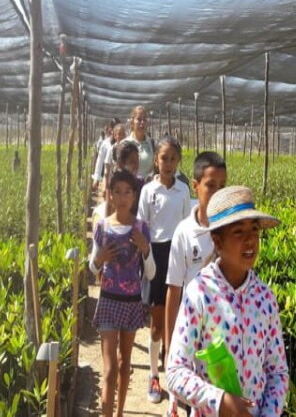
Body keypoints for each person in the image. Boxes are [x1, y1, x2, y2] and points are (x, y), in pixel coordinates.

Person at [166, 186, 289, 417]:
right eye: (238, 232)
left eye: (254, 230)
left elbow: (278, 372)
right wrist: (219, 401)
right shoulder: (199, 293)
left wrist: (269, 413)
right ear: (217, 241)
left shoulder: (265, 298)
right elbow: (175, 371)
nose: (250, 239)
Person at [164, 151, 227, 417]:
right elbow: (173, 291)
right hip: (191, 341)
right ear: (195, 185)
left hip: (224, 342)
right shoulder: (184, 232)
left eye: (222, 187)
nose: (216, 192)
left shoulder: (231, 229)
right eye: (210, 185)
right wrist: (170, 355)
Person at [89, 169, 156, 417]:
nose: (122, 196)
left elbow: (150, 273)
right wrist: (100, 259)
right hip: (108, 300)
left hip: (131, 303)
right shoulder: (103, 227)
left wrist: (145, 248)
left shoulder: (141, 229)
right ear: (110, 194)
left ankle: (119, 412)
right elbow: (92, 266)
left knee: (124, 363)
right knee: (108, 370)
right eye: (117, 191)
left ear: (134, 195)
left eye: (127, 191)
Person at [137, 136, 191, 404]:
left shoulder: (183, 190)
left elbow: (186, 228)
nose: (168, 163)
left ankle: (176, 375)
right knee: (157, 322)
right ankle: (154, 375)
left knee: (179, 319)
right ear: (155, 161)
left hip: (177, 254)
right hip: (156, 255)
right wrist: (147, 259)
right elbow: (142, 227)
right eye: (163, 158)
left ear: (178, 161)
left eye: (172, 158)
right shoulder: (149, 190)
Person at [123, 105, 156, 179]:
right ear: (132, 122)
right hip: (130, 187)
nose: (142, 122)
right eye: (139, 119)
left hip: (148, 187)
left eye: (144, 119)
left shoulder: (152, 144)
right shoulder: (125, 144)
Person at [92, 119, 119, 193]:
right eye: (114, 128)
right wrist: (96, 178)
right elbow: (100, 161)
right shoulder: (105, 144)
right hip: (108, 178)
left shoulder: (125, 143)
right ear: (110, 129)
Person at [103, 123, 128, 192]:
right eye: (119, 134)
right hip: (114, 182)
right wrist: (106, 186)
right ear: (115, 136)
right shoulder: (112, 149)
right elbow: (107, 169)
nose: (121, 136)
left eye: (123, 134)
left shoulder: (128, 149)